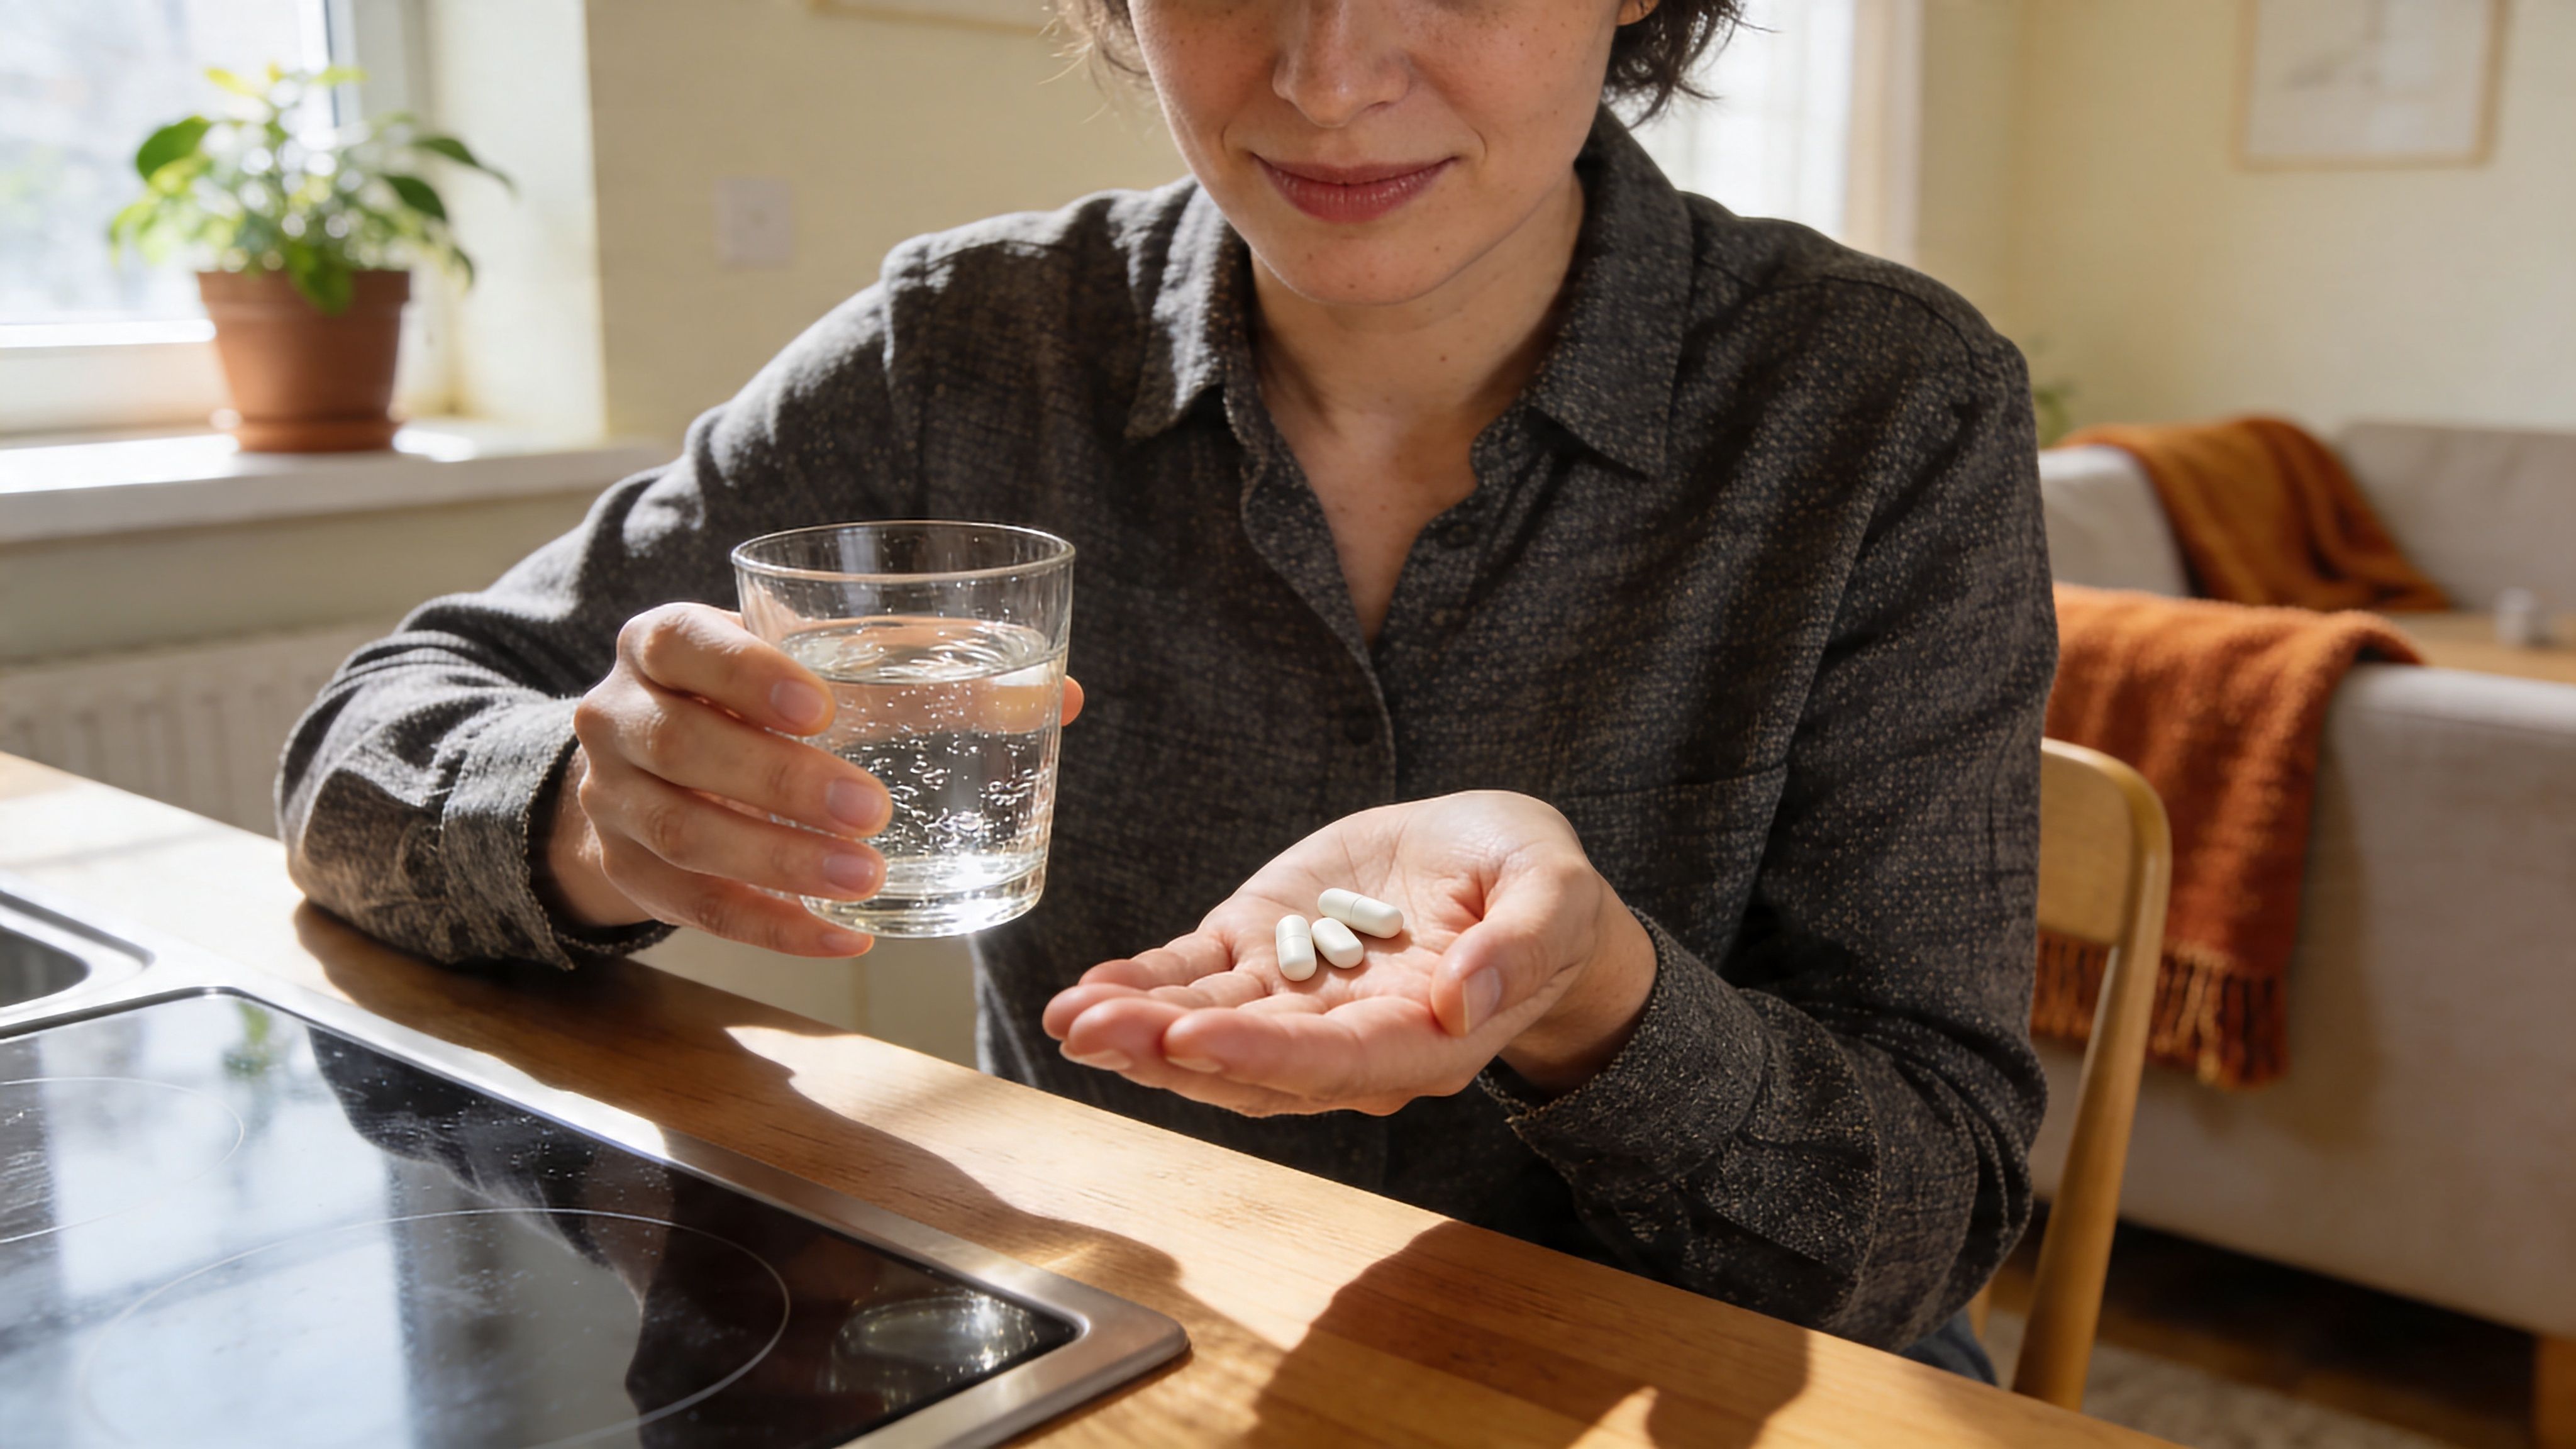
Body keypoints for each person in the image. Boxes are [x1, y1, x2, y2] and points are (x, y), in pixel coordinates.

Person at [281, 0, 2051, 1381]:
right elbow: (363, 751)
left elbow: (1920, 1224)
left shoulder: (1885, 414)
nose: (1328, 74)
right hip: (1125, 1354)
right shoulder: (962, 352)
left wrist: (1597, 993)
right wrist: (591, 817)